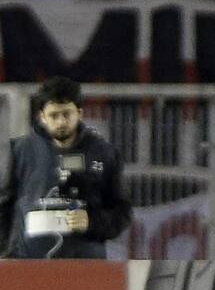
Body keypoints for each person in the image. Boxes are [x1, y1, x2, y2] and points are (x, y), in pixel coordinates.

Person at [0, 77, 132, 259]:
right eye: (54, 115)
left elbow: (122, 212)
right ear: (42, 117)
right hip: (28, 265)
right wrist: (4, 254)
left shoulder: (104, 153)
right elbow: (4, 207)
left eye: (67, 114)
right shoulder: (21, 151)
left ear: (80, 113)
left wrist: (92, 222)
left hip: (84, 264)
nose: (61, 122)